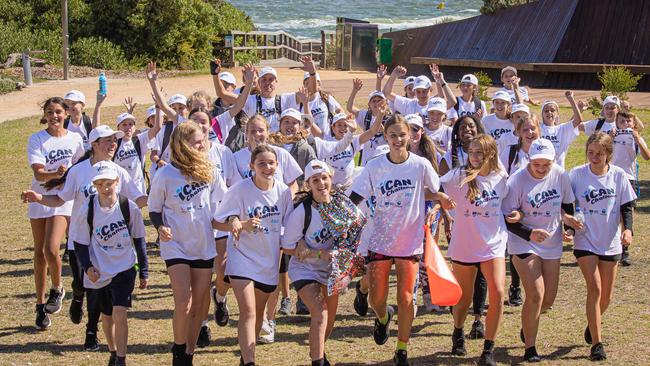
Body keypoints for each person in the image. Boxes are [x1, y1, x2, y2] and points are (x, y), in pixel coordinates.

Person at [21, 125, 147, 351]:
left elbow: (138, 199)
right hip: (81, 242)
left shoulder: (117, 171)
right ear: (94, 144)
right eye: (107, 140)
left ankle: (92, 331)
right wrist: (39, 197)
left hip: (109, 247)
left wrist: (163, 203)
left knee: (98, 290)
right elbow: (60, 200)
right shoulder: (78, 171)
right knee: (82, 285)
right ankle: (77, 297)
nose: (113, 144)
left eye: (114, 141)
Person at [349, 114, 452, 366]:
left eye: (402, 135)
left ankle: (402, 350)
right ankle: (383, 318)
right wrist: (342, 218)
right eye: (392, 135)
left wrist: (438, 199)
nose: (397, 139)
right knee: (377, 299)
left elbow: (431, 189)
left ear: (411, 136)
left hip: (410, 241)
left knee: (406, 298)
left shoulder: (420, 165)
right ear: (385, 136)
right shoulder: (374, 166)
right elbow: (355, 196)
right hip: (381, 241)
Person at [147, 122, 226, 366]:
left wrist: (235, 223)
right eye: (196, 142)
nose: (201, 145)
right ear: (182, 145)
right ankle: (178, 350)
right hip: (176, 245)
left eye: (202, 141)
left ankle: (189, 354)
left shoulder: (210, 170)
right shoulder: (165, 174)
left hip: (202, 243)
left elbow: (221, 206)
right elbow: (154, 209)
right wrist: (161, 226)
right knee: (184, 301)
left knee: (199, 305)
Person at [213, 145, 294, 366]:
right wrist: (236, 223)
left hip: (268, 261)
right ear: (252, 166)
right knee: (248, 311)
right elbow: (216, 220)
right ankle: (250, 363)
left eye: (271, 163)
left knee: (258, 315)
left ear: (277, 165)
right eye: (261, 164)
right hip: (241, 258)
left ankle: (245, 357)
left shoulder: (284, 192)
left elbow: (290, 225)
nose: (267, 168)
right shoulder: (240, 190)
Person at [282, 159, 366, 366]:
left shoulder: (342, 204)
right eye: (315, 179)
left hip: (332, 270)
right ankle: (318, 362)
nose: (321, 183)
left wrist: (348, 257)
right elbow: (286, 247)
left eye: (325, 178)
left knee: (329, 318)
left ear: (331, 179)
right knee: (320, 312)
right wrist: (315, 253)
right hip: (305, 269)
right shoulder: (302, 212)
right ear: (308, 184)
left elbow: (358, 227)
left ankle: (318, 354)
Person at [501, 139, 579, 362]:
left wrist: (569, 230)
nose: (542, 169)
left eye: (546, 164)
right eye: (537, 164)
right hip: (523, 241)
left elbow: (567, 205)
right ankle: (530, 348)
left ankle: (528, 325)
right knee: (535, 294)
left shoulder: (560, 175)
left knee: (548, 299)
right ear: (529, 159)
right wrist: (527, 232)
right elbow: (507, 218)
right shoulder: (517, 180)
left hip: (552, 242)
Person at [440, 134, 508, 366]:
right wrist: (439, 204)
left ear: (491, 153)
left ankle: (488, 349)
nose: (475, 157)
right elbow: (435, 187)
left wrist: (516, 214)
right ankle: (458, 330)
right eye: (471, 152)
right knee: (463, 299)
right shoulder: (458, 176)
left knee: (498, 293)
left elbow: (510, 204)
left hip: (493, 244)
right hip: (465, 244)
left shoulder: (501, 177)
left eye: (479, 152)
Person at [71, 167, 149, 366]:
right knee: (107, 316)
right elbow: (80, 243)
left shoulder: (128, 207)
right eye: (99, 184)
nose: (104, 188)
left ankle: (122, 359)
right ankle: (113, 351)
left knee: (119, 311)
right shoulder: (87, 210)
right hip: (99, 270)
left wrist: (144, 271)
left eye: (108, 184)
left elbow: (139, 239)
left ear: (117, 182)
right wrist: (88, 267)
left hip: (124, 267)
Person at [569, 132, 636, 361]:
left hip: (610, 240)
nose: (594, 157)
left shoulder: (618, 176)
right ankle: (597, 344)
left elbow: (627, 206)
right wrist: (568, 228)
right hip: (585, 238)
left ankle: (592, 322)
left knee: (606, 296)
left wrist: (628, 230)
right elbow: (568, 205)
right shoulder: (577, 174)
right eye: (591, 153)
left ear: (608, 154)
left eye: (599, 153)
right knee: (595, 289)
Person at [26, 97, 85, 330]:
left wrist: (70, 178)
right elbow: (39, 175)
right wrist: (56, 173)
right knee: (39, 254)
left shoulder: (75, 138)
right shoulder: (37, 139)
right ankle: (40, 305)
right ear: (45, 115)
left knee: (52, 248)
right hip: (39, 198)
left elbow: (81, 165)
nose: (54, 116)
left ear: (67, 113)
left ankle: (57, 288)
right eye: (50, 112)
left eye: (58, 112)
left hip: (62, 200)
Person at [212, 58, 315, 132]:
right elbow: (222, 94)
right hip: (257, 147)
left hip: (280, 146)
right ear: (258, 82)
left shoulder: (286, 99)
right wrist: (215, 74)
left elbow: (311, 91)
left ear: (276, 81)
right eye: (264, 79)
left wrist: (312, 73)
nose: (267, 83)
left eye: (271, 79)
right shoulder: (249, 100)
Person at [609, 111, 649, 266]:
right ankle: (615, 247)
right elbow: (601, 151)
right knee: (614, 215)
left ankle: (625, 251)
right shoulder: (612, 135)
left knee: (628, 214)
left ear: (633, 124)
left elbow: (647, 156)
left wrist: (638, 139)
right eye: (622, 121)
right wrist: (611, 137)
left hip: (629, 179)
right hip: (611, 178)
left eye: (628, 121)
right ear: (616, 123)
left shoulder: (636, 138)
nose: (625, 124)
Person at [112, 112, 162, 193]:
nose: (128, 127)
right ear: (118, 128)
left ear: (134, 127)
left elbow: (157, 127)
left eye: (131, 124)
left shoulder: (139, 140)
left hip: (137, 189)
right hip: (120, 190)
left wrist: (158, 106)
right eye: (124, 125)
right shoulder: (114, 144)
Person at [346, 81, 392, 166]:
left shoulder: (390, 119)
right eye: (373, 101)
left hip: (384, 154)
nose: (377, 103)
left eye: (379, 100)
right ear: (369, 104)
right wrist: (354, 91)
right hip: (367, 156)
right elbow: (349, 107)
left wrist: (384, 131)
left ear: (385, 103)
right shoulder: (365, 115)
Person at [538, 92, 583, 168]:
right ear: (542, 114)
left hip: (558, 173)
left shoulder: (562, 129)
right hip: (540, 171)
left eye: (552, 110)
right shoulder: (538, 128)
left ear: (557, 113)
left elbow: (578, 120)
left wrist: (571, 99)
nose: (549, 112)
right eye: (546, 111)